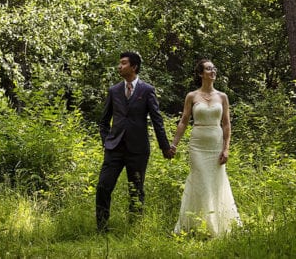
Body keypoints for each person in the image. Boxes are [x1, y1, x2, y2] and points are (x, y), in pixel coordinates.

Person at [95, 51, 174, 232]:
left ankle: (134, 228)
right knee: (103, 187)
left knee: (136, 190)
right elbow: (103, 122)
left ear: (134, 67)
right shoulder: (113, 91)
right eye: (120, 63)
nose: (119, 66)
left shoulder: (147, 90)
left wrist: (165, 147)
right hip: (114, 149)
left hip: (137, 149)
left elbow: (157, 120)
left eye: (123, 63)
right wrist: (106, 142)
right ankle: (102, 228)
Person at [170, 58, 241, 237]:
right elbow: (184, 121)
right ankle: (193, 224)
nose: (213, 71)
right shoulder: (192, 96)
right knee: (200, 180)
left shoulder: (222, 97)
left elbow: (226, 124)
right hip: (197, 145)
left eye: (214, 69)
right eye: (209, 69)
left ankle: (217, 224)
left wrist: (226, 148)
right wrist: (174, 144)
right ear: (201, 73)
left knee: (216, 182)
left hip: (215, 144)